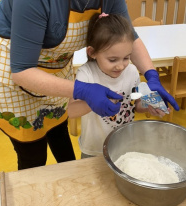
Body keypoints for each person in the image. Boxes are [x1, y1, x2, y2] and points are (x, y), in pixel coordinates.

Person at [0, 0, 179, 169]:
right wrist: (84, 91)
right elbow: (22, 71)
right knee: (33, 153)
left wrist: (152, 75)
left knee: (57, 126)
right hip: (14, 72)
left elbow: (129, 37)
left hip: (55, 67)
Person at [67, 13, 169, 158]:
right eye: (113, 59)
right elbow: (71, 111)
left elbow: (135, 104)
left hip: (124, 144)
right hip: (94, 149)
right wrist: (92, 102)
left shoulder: (132, 72)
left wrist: (148, 105)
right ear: (92, 52)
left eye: (126, 58)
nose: (121, 66)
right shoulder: (87, 74)